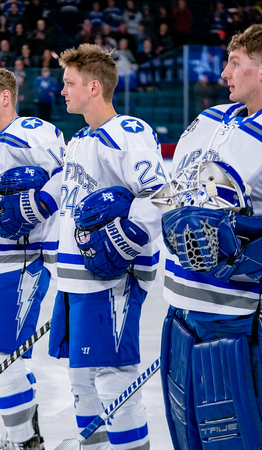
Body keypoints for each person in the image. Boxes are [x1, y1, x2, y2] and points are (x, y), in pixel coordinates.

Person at [49, 43, 166, 449]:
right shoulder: (80, 138)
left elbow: (162, 194)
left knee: (112, 374)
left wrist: (125, 240)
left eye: (69, 83)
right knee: (81, 375)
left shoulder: (126, 132)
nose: (62, 90)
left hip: (111, 278)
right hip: (76, 277)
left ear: (94, 87)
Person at [158, 23, 262, 449]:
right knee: (187, 436)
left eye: (235, 64)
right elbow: (174, 198)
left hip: (233, 319)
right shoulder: (209, 120)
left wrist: (245, 243)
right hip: (178, 308)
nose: (224, 74)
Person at [0, 66, 65, 448]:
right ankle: (22, 435)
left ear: (6, 97)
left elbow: (66, 173)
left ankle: (24, 441)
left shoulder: (30, 132)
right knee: (6, 357)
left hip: (17, 260)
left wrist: (40, 204)